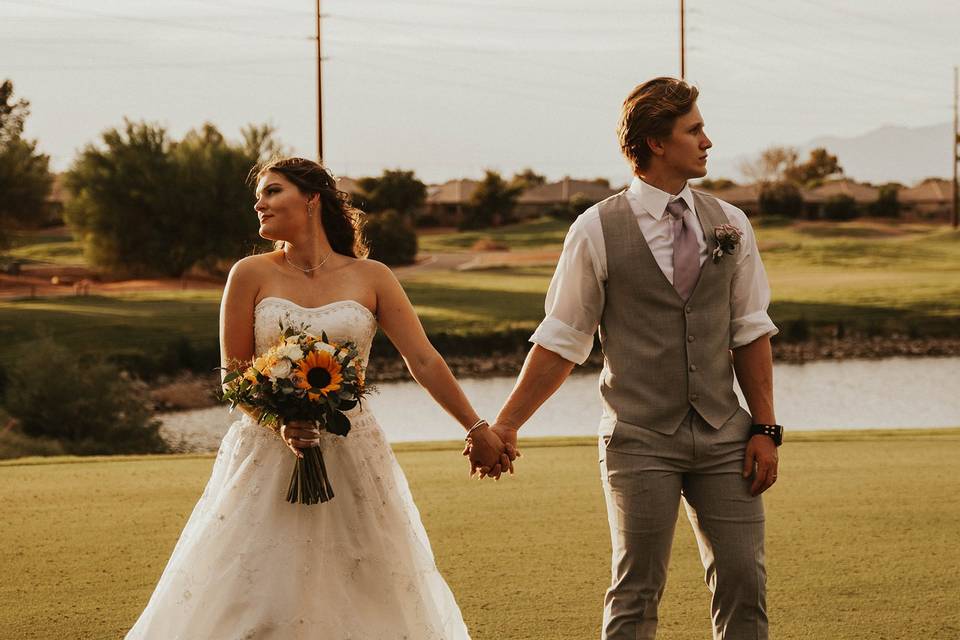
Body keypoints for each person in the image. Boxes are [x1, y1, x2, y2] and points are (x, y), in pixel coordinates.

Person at [125, 156, 513, 639]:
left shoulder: (373, 277)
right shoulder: (249, 274)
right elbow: (234, 377)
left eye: (272, 191)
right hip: (265, 454)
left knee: (364, 588)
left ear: (311, 199)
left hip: (353, 451)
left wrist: (477, 428)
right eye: (259, 194)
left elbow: (425, 360)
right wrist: (281, 423)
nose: (258, 202)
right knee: (257, 593)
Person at [483, 77, 782, 639]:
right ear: (656, 143)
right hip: (639, 436)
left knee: (745, 581)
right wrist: (506, 424)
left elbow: (749, 331)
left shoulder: (731, 224)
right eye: (694, 130)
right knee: (637, 587)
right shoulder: (595, 229)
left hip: (726, 436)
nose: (708, 140)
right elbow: (562, 340)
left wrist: (765, 425)